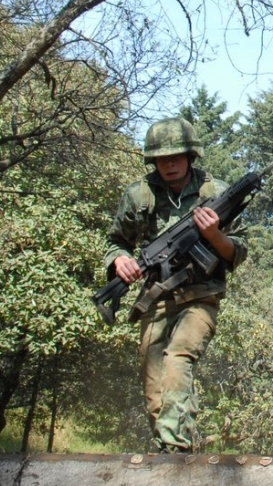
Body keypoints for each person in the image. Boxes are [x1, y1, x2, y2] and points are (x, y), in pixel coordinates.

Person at [104, 117, 247, 453]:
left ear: (190, 156)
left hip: (201, 298)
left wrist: (214, 235)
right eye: (161, 158)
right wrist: (118, 261)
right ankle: (173, 451)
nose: (168, 164)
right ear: (152, 161)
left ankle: (176, 447)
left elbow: (237, 251)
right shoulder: (139, 195)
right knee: (155, 390)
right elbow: (115, 241)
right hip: (155, 298)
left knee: (178, 358)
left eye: (175, 156)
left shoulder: (216, 193)